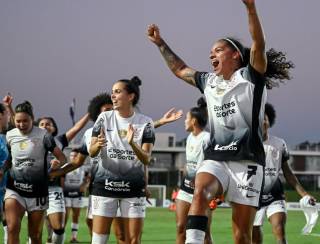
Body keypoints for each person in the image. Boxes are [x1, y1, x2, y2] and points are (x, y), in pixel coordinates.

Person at [147, 0, 294, 243]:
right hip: (216, 158)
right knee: (200, 193)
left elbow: (259, 43)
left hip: (247, 163)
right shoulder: (209, 82)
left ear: (235, 54)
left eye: (218, 50)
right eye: (211, 51)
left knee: (241, 235)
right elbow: (180, 69)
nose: (211, 54)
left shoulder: (251, 77)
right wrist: (161, 43)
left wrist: (250, 9)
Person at [88, 76, 155, 244]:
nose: (113, 96)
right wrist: (98, 144)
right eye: (112, 92)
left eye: (117, 92)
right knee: (98, 240)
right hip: (104, 187)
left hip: (133, 190)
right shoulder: (104, 118)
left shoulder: (146, 123)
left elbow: (146, 159)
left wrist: (133, 143)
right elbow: (92, 151)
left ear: (130, 96)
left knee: (132, 241)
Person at [252, 103, 316, 244]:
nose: (262, 121)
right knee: (255, 237)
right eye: (259, 118)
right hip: (253, 198)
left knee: (279, 228)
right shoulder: (246, 144)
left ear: (269, 122)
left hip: (275, 195)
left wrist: (304, 194)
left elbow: (288, 173)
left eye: (265, 118)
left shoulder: (279, 144)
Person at [4, 101, 67, 244]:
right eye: (18, 121)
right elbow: (9, 158)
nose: (21, 124)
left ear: (32, 119)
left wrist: (57, 165)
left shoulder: (44, 136)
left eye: (25, 121)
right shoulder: (10, 135)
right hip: (15, 189)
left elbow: (62, 158)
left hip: (38, 191)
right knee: (12, 227)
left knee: (35, 235)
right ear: (14, 120)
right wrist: (2, 169)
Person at [37, 113, 90, 244]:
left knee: (59, 228)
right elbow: (18, 123)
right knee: (35, 231)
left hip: (53, 189)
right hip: (35, 189)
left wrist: (90, 113)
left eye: (48, 124)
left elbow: (77, 128)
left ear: (54, 128)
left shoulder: (59, 141)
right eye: (42, 124)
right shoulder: (30, 140)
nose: (45, 126)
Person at [175, 97, 212, 244]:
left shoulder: (207, 138)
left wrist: (214, 193)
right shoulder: (190, 137)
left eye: (186, 118)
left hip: (202, 193)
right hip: (185, 189)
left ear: (194, 121)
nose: (184, 121)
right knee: (180, 228)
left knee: (204, 234)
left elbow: (214, 164)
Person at [62, 148, 90, 243]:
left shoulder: (83, 168)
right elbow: (61, 181)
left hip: (78, 196)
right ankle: (61, 237)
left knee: (76, 216)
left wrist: (85, 185)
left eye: (75, 155)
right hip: (66, 195)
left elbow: (87, 178)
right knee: (65, 217)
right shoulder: (66, 167)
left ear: (78, 156)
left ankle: (74, 238)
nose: (73, 157)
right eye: (71, 155)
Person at [0, 103, 10, 243]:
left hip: (6, 189)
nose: (9, 118)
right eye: (7, 114)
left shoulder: (5, 137)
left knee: (10, 223)